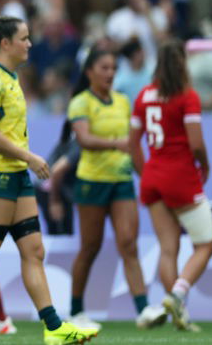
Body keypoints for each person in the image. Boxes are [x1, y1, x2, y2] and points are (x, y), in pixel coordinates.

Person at [0, 17, 97, 345]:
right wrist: (31, 157)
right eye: (24, 39)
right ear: (5, 44)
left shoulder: (8, 78)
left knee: (33, 250)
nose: (29, 44)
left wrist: (18, 158)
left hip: (14, 177)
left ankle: (53, 327)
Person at [60, 48, 166, 330]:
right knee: (90, 247)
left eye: (113, 69)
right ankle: (75, 310)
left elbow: (134, 145)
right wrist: (116, 144)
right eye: (104, 68)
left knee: (128, 243)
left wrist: (147, 179)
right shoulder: (80, 103)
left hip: (121, 181)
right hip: (92, 182)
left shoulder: (123, 102)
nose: (110, 74)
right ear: (89, 72)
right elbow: (83, 139)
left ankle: (143, 309)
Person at [129, 40, 212, 332]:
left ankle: (181, 313)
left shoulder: (144, 95)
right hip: (180, 176)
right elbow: (196, 143)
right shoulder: (186, 96)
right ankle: (178, 294)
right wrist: (205, 166)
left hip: (153, 175)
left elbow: (132, 145)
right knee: (205, 244)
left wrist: (148, 175)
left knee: (168, 248)